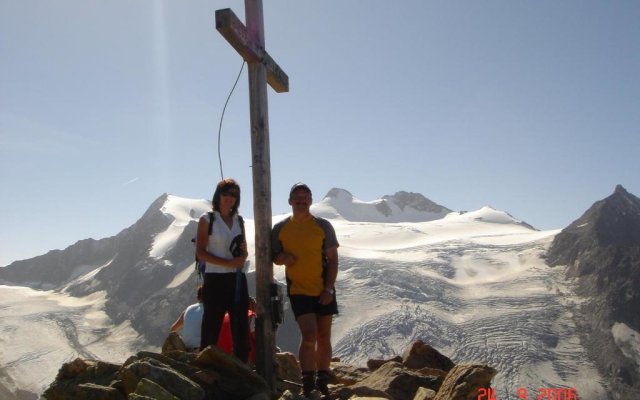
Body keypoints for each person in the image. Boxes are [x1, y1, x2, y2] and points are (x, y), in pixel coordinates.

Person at [271, 183, 339, 399]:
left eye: (305, 196)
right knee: (309, 335)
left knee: (323, 335)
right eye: (297, 197)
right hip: (298, 289)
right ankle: (308, 382)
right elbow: (273, 254)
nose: (301, 200)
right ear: (290, 201)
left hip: (323, 288)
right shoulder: (280, 229)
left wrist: (328, 288)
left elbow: (333, 258)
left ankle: (322, 380)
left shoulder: (323, 226)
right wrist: (283, 258)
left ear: (311, 200)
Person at [196, 178, 250, 362]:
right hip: (215, 279)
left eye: (234, 195)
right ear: (218, 195)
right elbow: (201, 252)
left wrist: (242, 257)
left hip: (236, 279)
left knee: (240, 326)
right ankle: (204, 366)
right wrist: (229, 263)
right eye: (226, 193)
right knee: (211, 325)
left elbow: (244, 250)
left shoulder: (239, 221)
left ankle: (242, 367)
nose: (229, 198)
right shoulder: (207, 220)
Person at [170, 285, 204, 352]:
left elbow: (173, 328)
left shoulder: (189, 308)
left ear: (197, 297)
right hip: (201, 349)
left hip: (186, 349)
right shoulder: (212, 310)